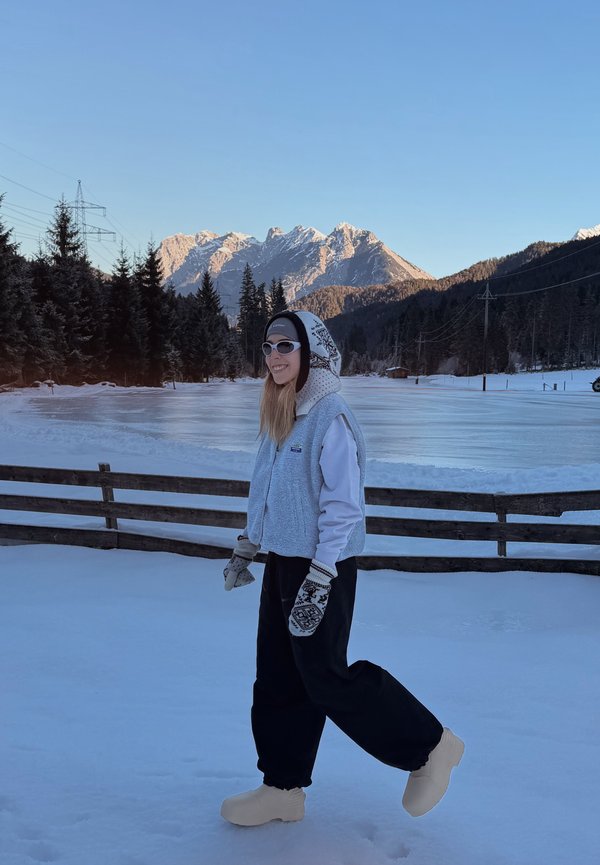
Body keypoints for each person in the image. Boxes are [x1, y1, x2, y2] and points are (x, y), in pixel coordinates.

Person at [221, 310, 464, 827]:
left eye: (286, 346)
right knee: (277, 677)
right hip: (284, 564)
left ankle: (430, 747)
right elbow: (266, 490)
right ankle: (282, 787)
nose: (274, 357)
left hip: (320, 569)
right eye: (267, 346)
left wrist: (321, 575)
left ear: (314, 352)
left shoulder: (331, 419)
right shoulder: (282, 414)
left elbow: (343, 508)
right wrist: (248, 545)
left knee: (327, 677)